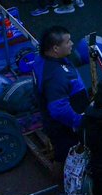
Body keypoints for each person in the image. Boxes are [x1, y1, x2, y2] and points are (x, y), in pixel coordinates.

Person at [34, 25, 88, 163]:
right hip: (65, 129)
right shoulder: (56, 75)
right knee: (66, 159)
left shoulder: (42, 59)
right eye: (68, 41)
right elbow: (59, 110)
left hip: (55, 123)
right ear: (56, 49)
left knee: (62, 155)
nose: (72, 43)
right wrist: (81, 122)